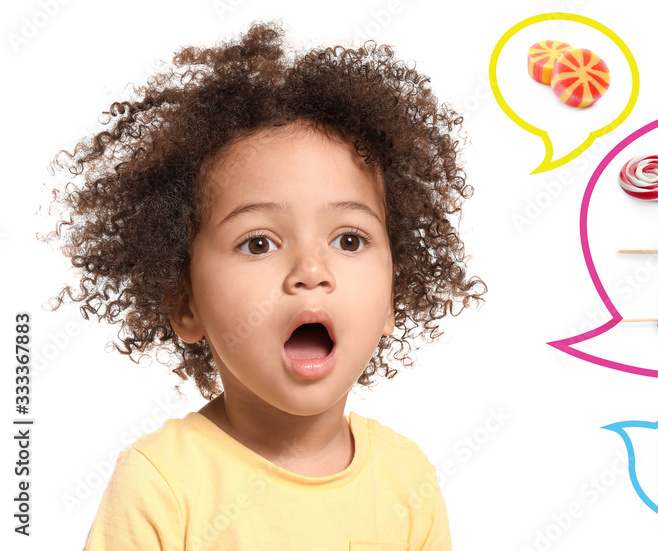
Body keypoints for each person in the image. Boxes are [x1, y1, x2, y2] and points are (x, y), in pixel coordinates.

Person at [41, 19, 484, 550]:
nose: (311, 271)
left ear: (395, 292)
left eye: (348, 240)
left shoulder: (407, 479)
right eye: (258, 243)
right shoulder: (161, 483)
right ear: (184, 302)